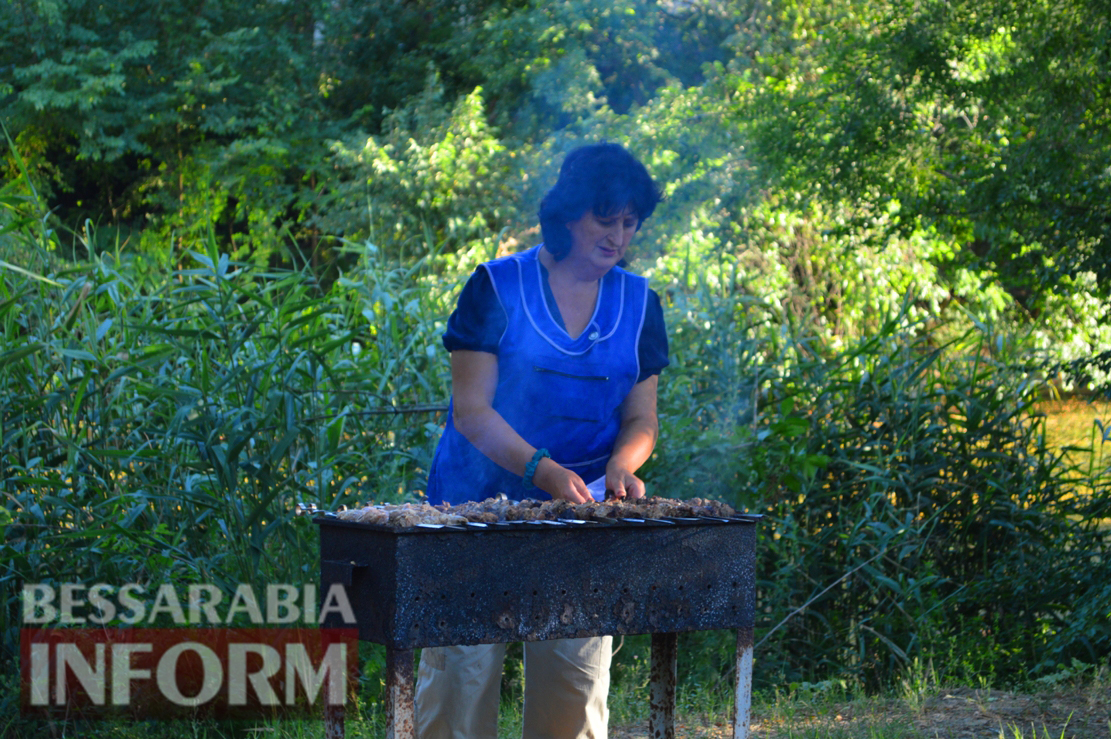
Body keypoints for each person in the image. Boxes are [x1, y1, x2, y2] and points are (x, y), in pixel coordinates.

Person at [418, 142, 668, 739]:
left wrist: (621, 466)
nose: (618, 236)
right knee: (460, 682)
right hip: (470, 510)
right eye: (605, 219)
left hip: (578, 517)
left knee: (574, 693)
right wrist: (544, 470)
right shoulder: (495, 288)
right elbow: (472, 412)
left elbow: (642, 420)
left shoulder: (641, 304)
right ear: (568, 214)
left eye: (630, 223)